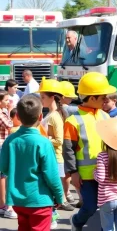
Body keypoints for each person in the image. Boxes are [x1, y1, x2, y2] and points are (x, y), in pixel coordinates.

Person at [0, 95, 63, 231]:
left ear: (18, 116)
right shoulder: (44, 143)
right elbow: (52, 175)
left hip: (18, 200)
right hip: (40, 200)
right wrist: (59, 195)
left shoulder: (10, 140)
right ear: (40, 117)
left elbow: (4, 168)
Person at [63, 72, 117, 231]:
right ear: (92, 98)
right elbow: (68, 150)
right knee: (91, 207)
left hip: (106, 173)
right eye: (103, 97)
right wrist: (73, 172)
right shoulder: (73, 121)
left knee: (106, 208)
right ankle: (77, 222)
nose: (106, 100)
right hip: (85, 176)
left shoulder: (106, 116)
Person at [37, 77, 74, 214]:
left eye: (43, 97)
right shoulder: (52, 114)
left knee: (51, 191)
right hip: (52, 157)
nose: (41, 100)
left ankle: (53, 216)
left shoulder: (54, 116)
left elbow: (59, 140)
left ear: (52, 97)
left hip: (55, 158)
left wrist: (43, 139)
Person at [60, 81, 81, 208]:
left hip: (66, 141)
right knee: (67, 173)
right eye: (69, 97)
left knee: (66, 173)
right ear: (63, 97)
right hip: (67, 142)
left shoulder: (63, 108)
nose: (71, 99)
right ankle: (66, 194)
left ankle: (66, 194)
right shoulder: (67, 108)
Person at [0, 89, 16, 219]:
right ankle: (5, 205)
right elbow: (10, 125)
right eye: (5, 100)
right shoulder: (1, 113)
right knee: (3, 176)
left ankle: (2, 204)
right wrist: (10, 110)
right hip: (1, 146)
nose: (8, 102)